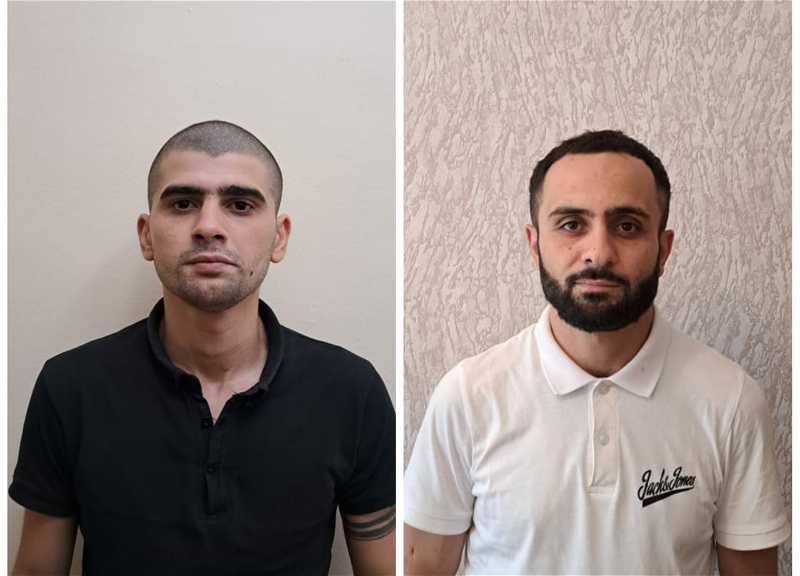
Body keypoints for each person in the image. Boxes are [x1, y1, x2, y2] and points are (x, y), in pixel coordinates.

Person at [10, 120, 396, 576]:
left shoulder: (351, 392)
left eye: (240, 204)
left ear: (279, 237)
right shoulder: (70, 388)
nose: (208, 226)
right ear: (146, 235)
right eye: (182, 203)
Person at [404, 130, 789, 575]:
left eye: (627, 226)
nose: (598, 253)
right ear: (534, 245)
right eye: (572, 224)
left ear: (663, 250)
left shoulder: (732, 400)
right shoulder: (468, 396)